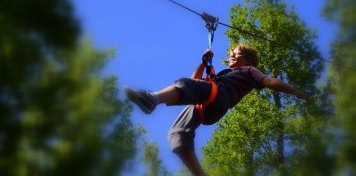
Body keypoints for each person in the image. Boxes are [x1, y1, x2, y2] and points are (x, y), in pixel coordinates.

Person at [125, 44, 309, 176]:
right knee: (177, 132)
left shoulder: (249, 71)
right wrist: (204, 63)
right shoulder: (223, 74)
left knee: (188, 86)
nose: (232, 56)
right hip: (209, 107)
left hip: (220, 96)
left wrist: (296, 92)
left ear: (248, 60)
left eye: (236, 54)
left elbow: (268, 81)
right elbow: (194, 81)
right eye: (231, 53)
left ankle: (152, 99)